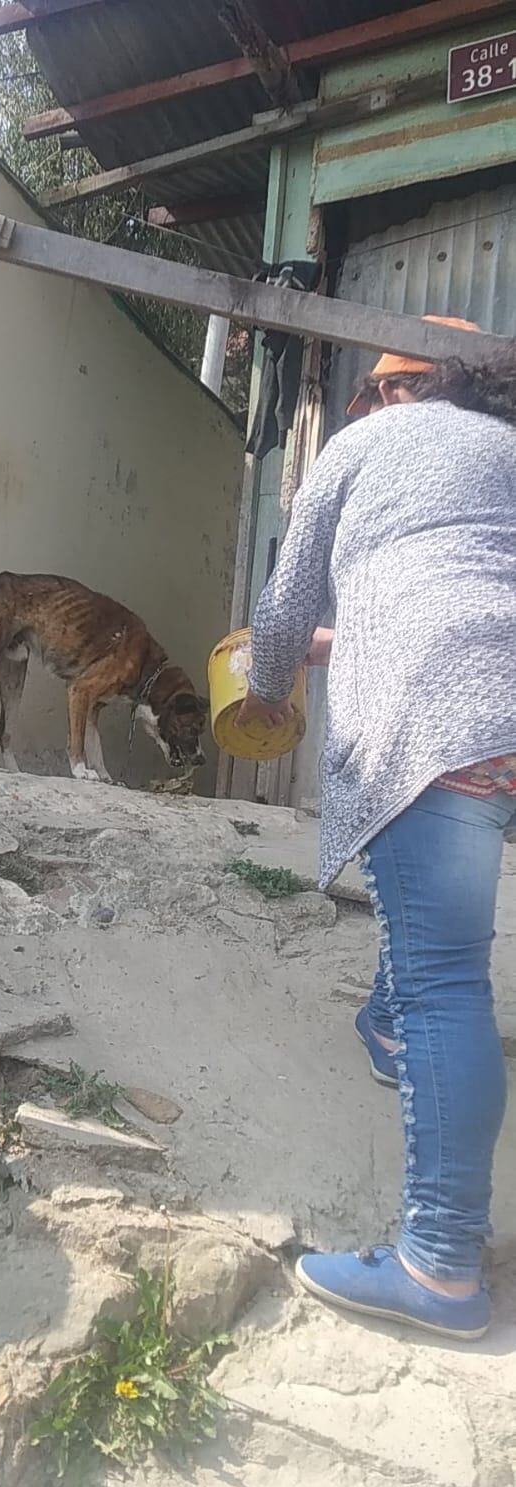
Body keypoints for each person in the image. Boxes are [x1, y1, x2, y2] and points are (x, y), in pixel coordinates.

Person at [238, 316, 516, 1340]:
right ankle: (392, 1029)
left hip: (433, 717)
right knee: (428, 966)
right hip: (502, 712)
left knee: (447, 978)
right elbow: (457, 587)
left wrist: (267, 692)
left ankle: (439, 1268)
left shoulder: (360, 447)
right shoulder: (504, 453)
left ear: (405, 388)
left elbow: (277, 614)